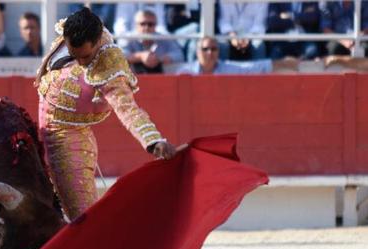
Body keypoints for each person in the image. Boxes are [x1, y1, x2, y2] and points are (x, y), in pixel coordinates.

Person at [35, 8, 177, 221]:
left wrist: (153, 140)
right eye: (74, 55)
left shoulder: (109, 64)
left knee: (81, 215)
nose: (81, 62)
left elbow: (127, 108)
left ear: (97, 42)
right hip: (43, 133)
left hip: (69, 141)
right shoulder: (73, 31)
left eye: (85, 56)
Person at [174, 36, 299, 75]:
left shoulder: (225, 68)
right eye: (205, 49)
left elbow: (250, 68)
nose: (209, 53)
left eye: (214, 49)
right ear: (197, 52)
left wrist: (282, 63)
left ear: (219, 51)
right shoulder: (185, 72)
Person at [121, 9, 184, 74]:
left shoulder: (163, 38)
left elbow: (179, 55)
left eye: (150, 24)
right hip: (132, 78)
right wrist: (140, 56)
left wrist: (159, 59)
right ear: (136, 25)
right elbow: (120, 56)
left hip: (160, 78)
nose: (146, 27)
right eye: (142, 24)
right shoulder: (128, 38)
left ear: (155, 25)